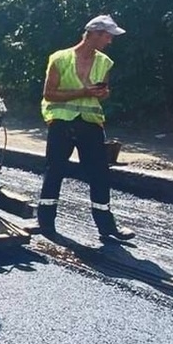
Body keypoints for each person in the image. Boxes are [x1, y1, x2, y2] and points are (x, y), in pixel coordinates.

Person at [36, 15, 137, 242]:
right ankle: (45, 222)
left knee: (99, 173)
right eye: (107, 36)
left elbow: (102, 92)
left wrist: (103, 93)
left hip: (90, 123)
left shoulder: (105, 62)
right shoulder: (59, 58)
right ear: (93, 34)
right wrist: (84, 93)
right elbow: (49, 94)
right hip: (61, 121)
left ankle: (107, 227)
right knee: (55, 171)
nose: (110, 41)